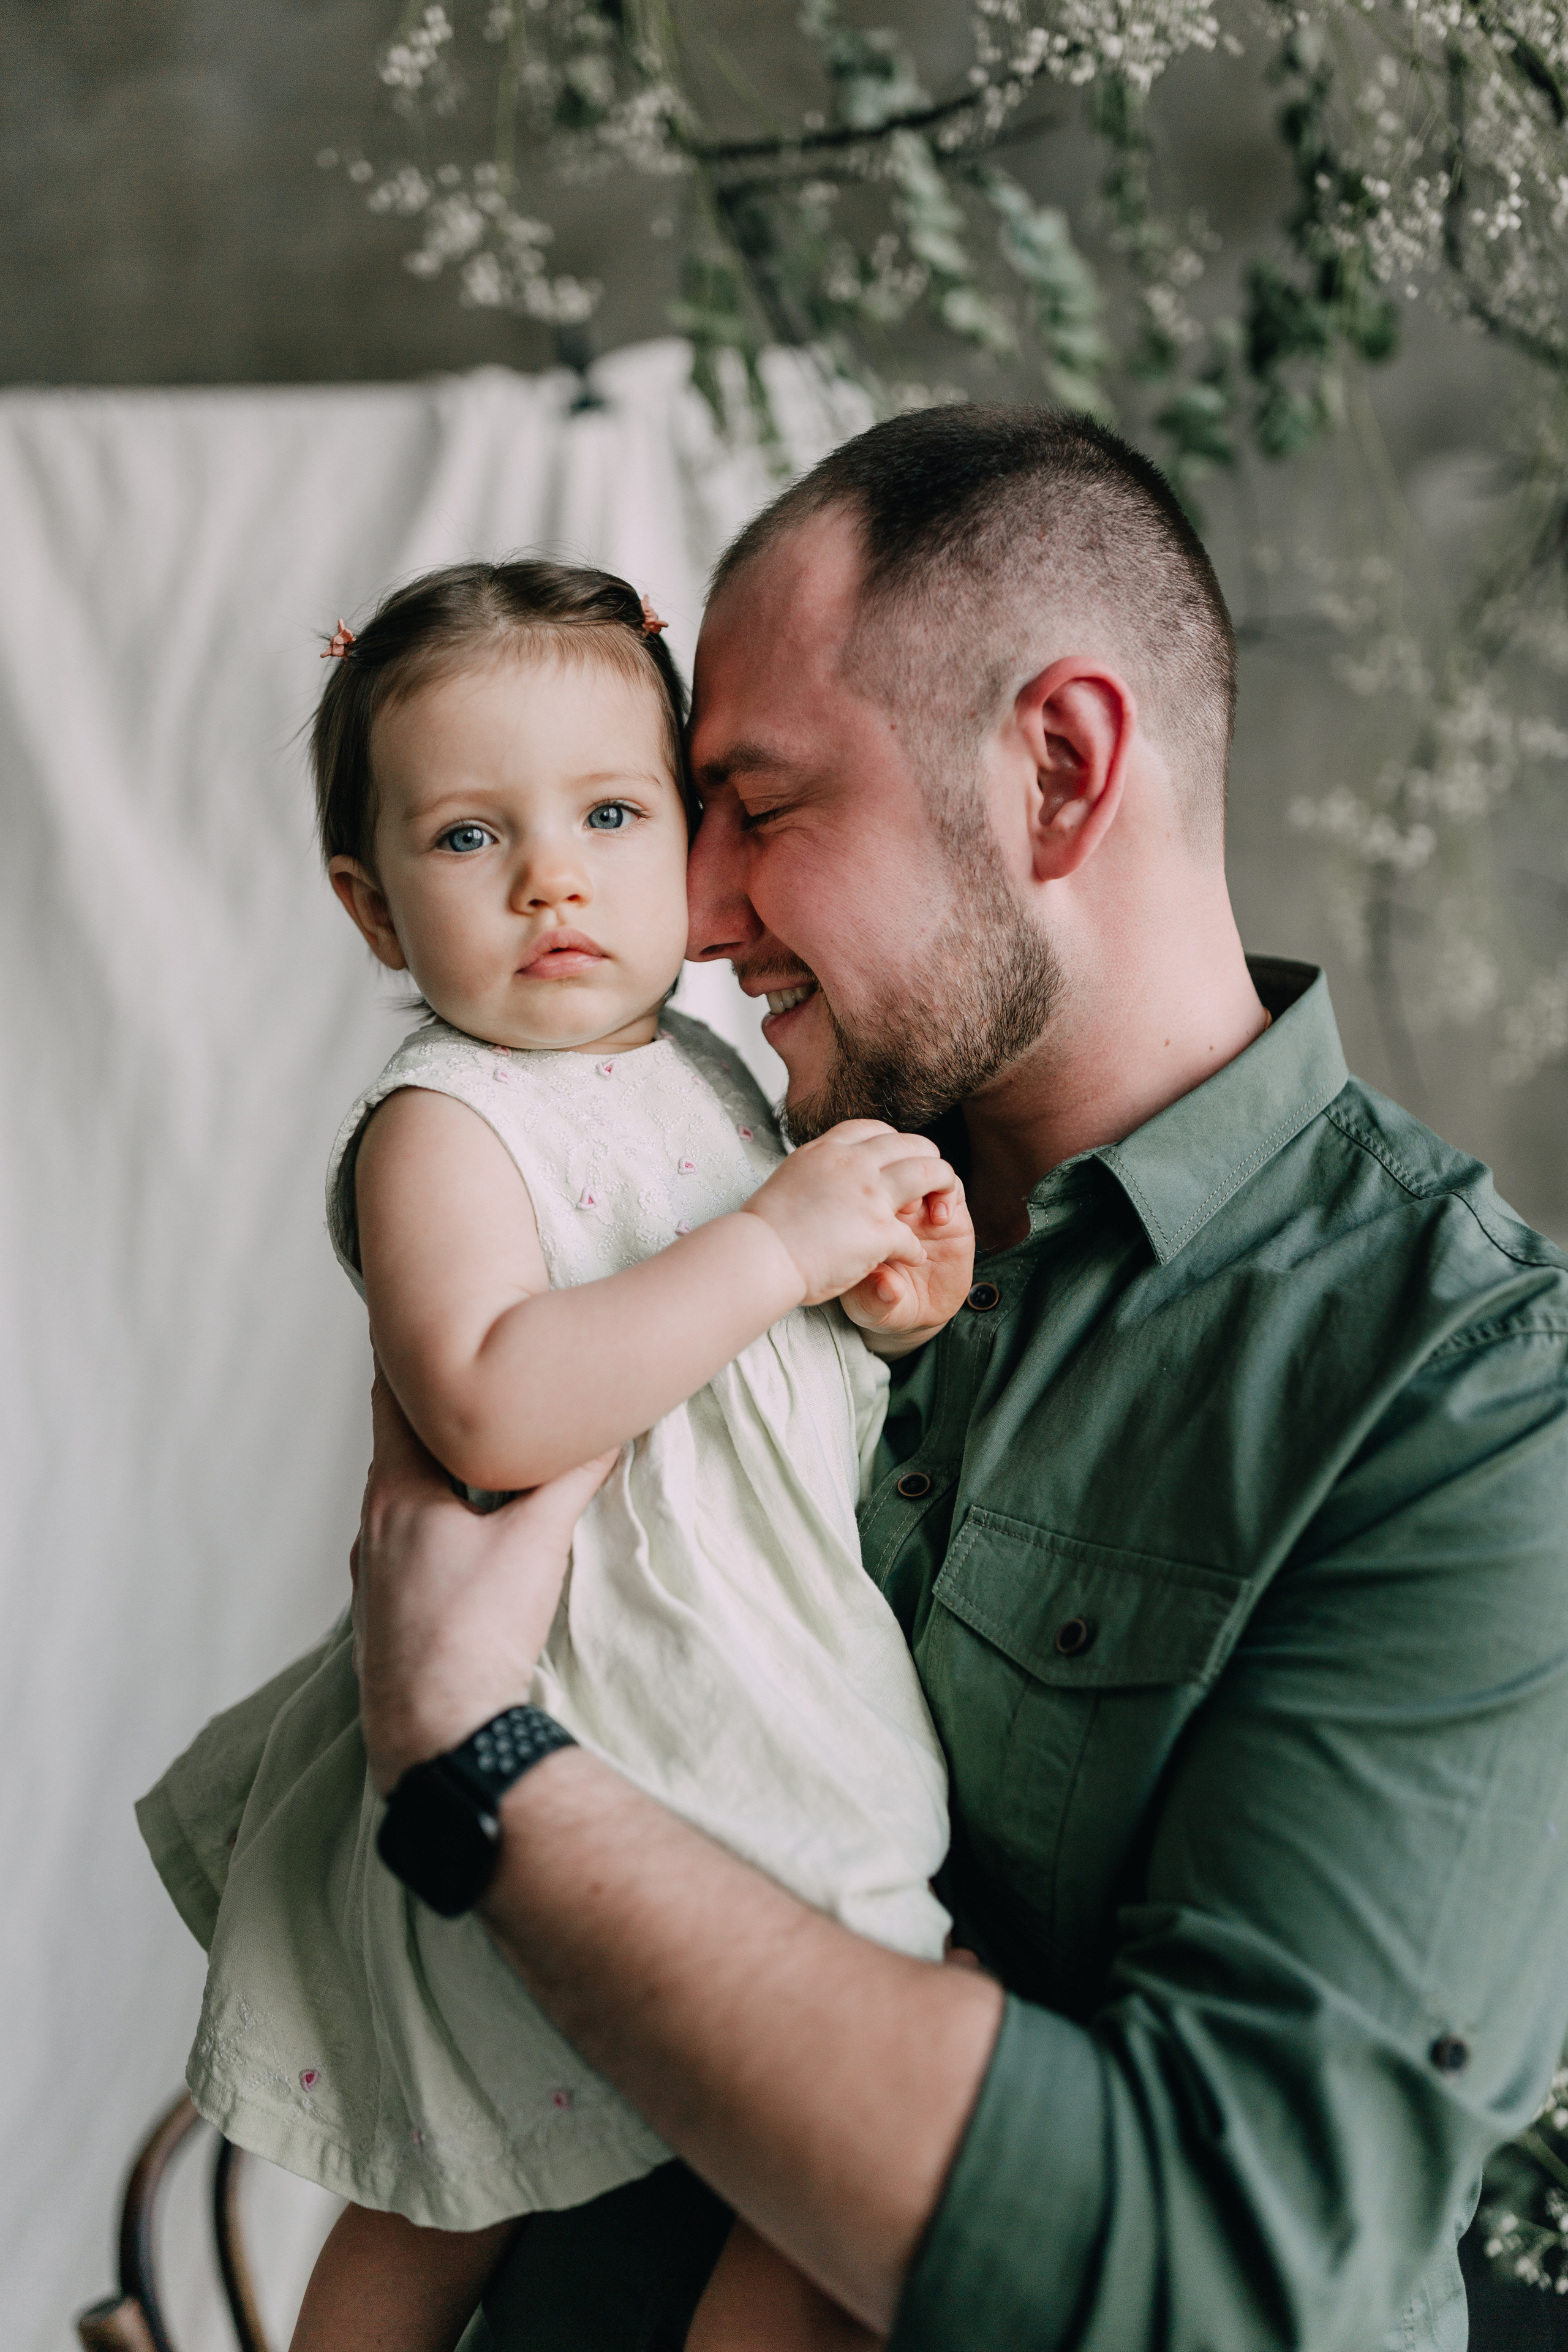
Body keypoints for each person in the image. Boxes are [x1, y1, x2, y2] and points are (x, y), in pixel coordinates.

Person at [349, 405, 1568, 2352]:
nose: (702, 905)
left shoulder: (1469, 1402)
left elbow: (1235, 2269)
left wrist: (467, 1757)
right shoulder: (678, 1197)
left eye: (762, 803)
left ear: (1061, 775)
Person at [136, 558, 979, 2352]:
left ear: (687, 833)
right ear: (371, 909)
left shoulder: (724, 1079)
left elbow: (773, 1373)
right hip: (606, 1704)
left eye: (611, 810)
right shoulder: (444, 1124)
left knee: (816, 2146)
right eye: (467, 840)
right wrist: (773, 1251)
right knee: (468, 2169)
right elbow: (496, 1404)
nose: (552, 877)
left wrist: (885, 1290)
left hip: (757, 1667)